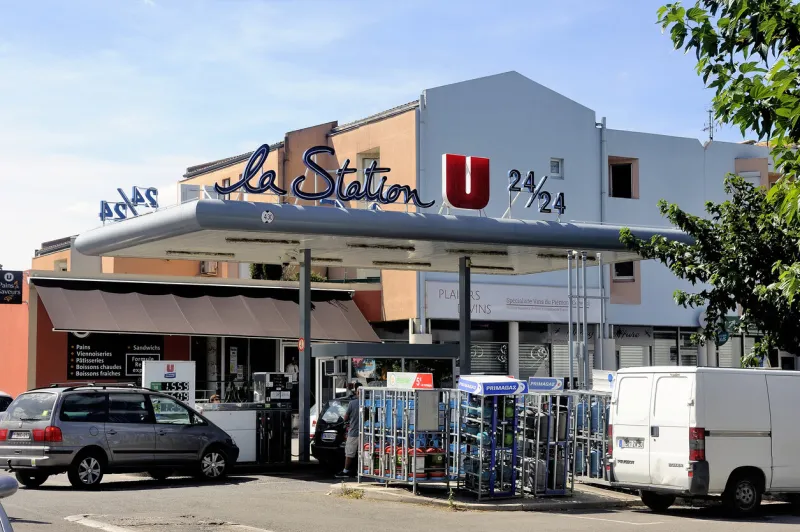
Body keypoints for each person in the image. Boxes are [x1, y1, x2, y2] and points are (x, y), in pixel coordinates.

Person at [335, 381, 362, 478]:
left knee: (349, 453)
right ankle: (362, 472)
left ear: (356, 393)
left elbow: (345, 418)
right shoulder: (369, 403)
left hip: (354, 432)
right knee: (363, 453)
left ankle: (346, 471)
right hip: (366, 433)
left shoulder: (352, 403)